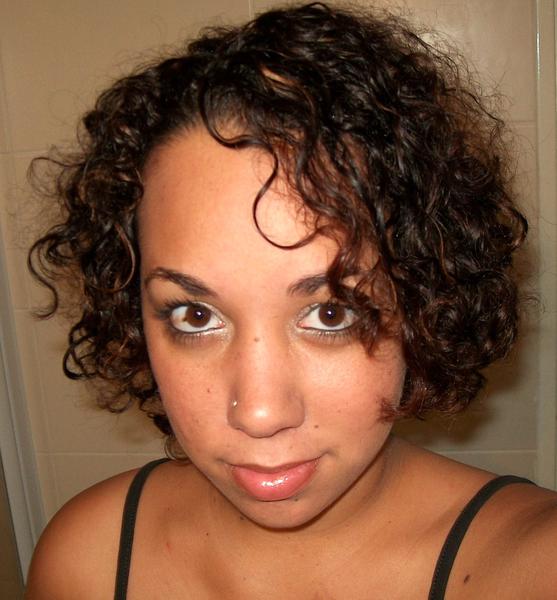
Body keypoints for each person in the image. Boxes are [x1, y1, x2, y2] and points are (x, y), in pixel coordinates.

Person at [24, 2, 557, 598]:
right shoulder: (86, 562)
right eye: (195, 315)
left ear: (422, 301)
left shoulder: (531, 570)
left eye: (331, 313)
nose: (260, 413)